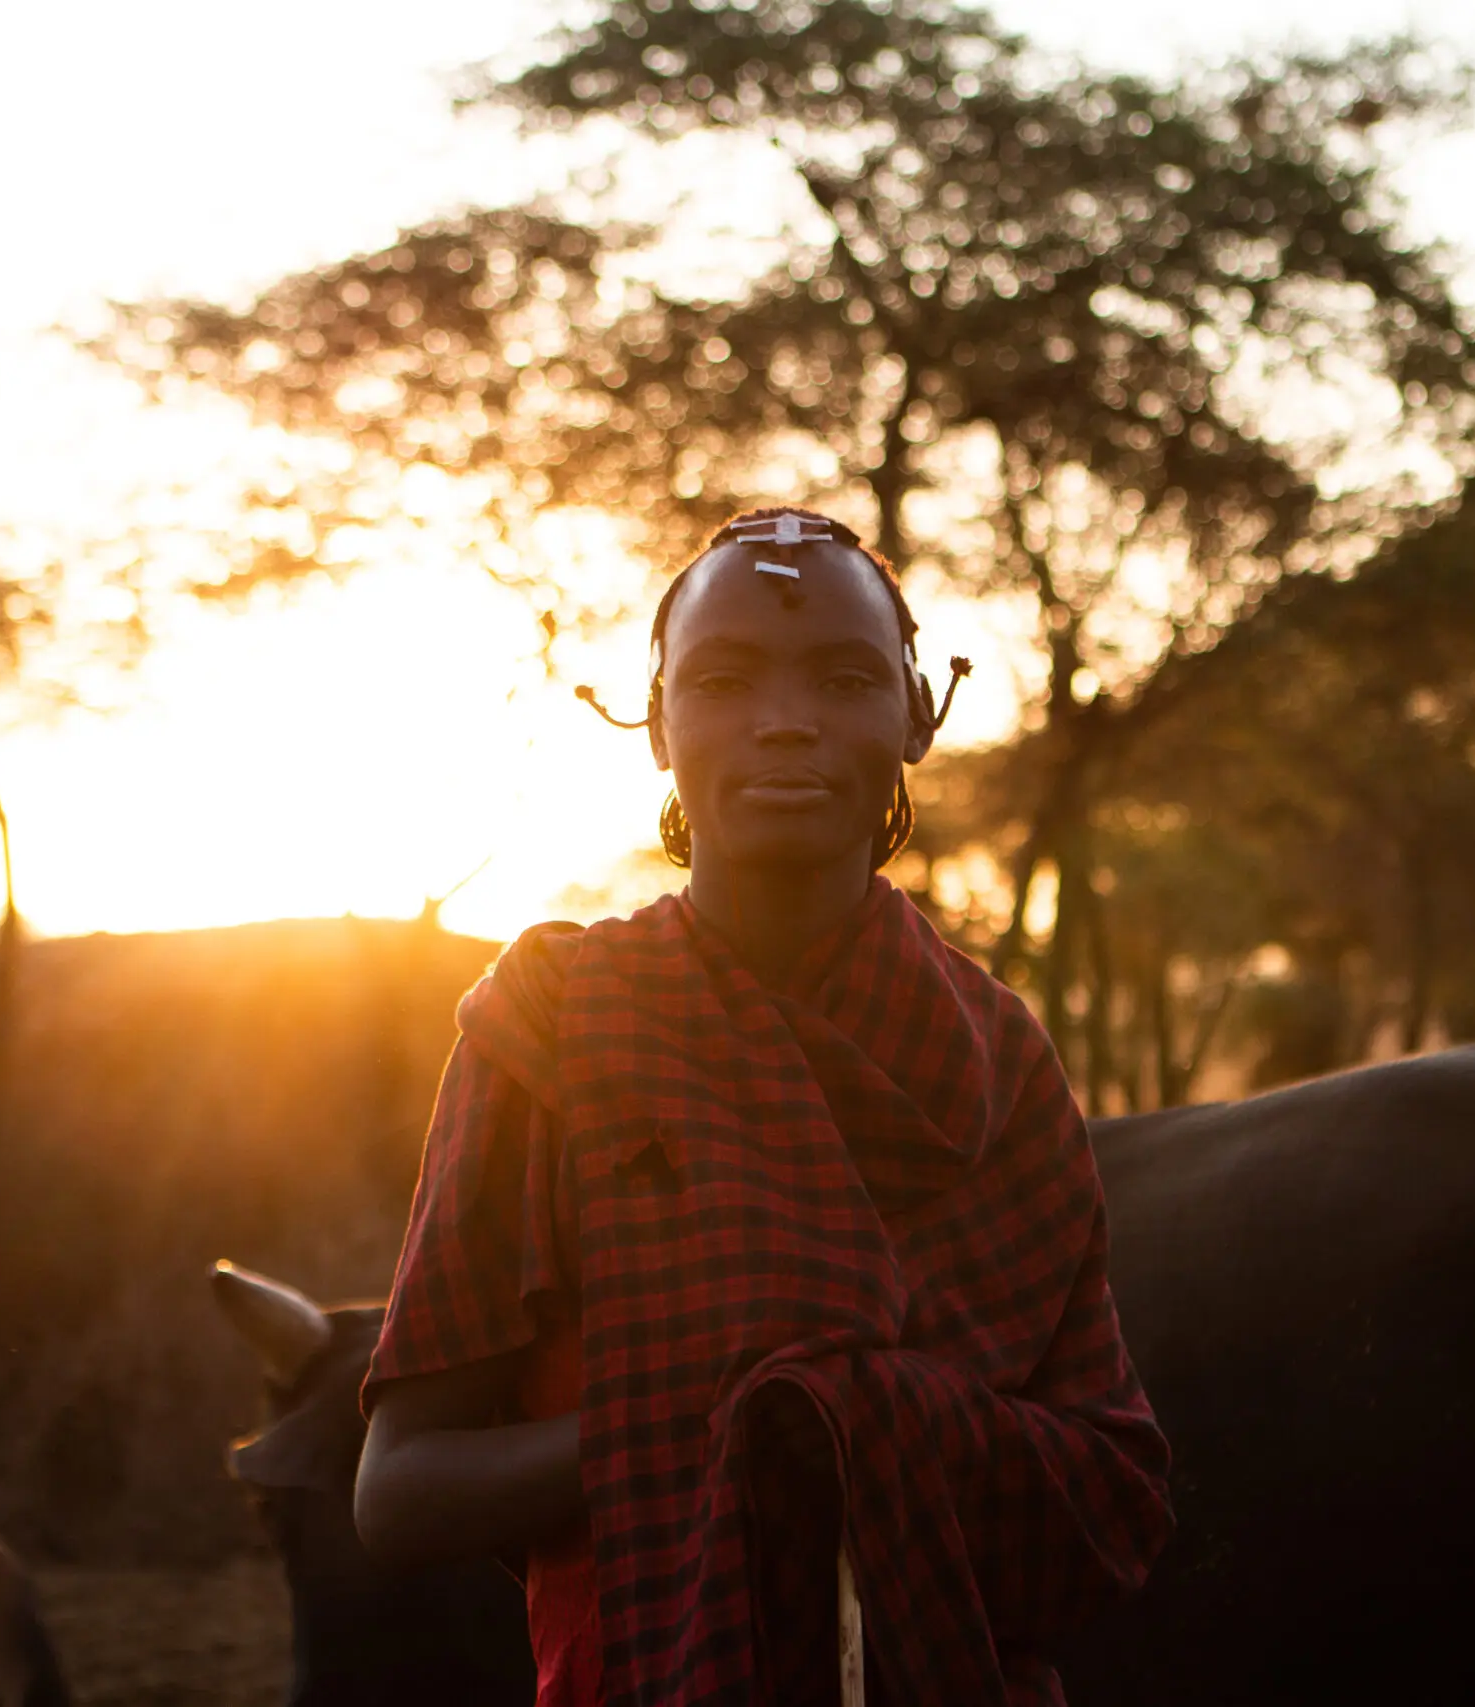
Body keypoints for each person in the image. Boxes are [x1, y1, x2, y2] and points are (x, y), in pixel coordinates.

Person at [354, 507, 1172, 1707]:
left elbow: (1112, 1492)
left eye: (844, 678)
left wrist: (859, 1421)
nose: (783, 720)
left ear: (914, 719)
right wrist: (741, 1429)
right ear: (658, 727)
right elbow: (400, 1489)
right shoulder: (549, 1027)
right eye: (724, 679)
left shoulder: (998, 1056)